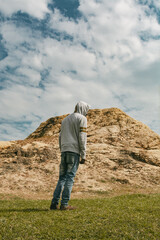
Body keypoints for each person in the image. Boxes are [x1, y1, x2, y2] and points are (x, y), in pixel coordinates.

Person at [50, 101, 90, 210]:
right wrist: (83, 154)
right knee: (70, 178)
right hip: (74, 151)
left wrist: (62, 149)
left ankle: (54, 203)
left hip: (64, 150)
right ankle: (64, 204)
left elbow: (60, 136)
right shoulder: (82, 119)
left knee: (61, 178)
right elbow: (82, 137)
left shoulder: (65, 120)